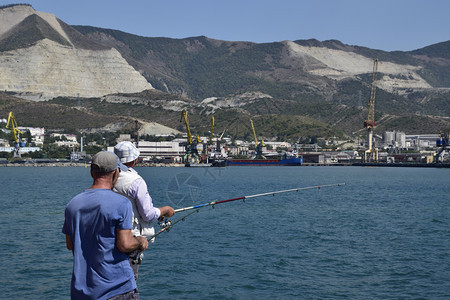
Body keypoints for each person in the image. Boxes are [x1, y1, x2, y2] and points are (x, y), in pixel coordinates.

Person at [62, 151, 149, 300]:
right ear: (116, 173)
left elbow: (70, 244)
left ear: (91, 172)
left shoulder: (73, 204)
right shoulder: (122, 203)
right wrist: (140, 242)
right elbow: (125, 244)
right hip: (117, 288)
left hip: (82, 292)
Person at [113, 141, 174, 279]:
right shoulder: (136, 181)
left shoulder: (108, 178)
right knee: (127, 284)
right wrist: (165, 210)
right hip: (131, 239)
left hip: (110, 237)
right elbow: (147, 214)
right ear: (134, 160)